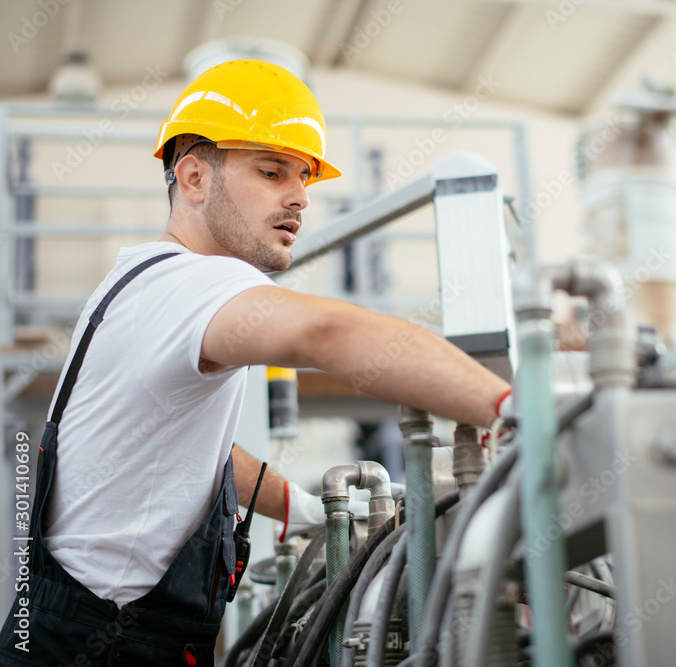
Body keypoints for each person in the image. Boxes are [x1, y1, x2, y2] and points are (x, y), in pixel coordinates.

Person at [0, 59, 510, 666]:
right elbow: (327, 332)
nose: (298, 196)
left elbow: (187, 449)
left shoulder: (138, 284)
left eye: (303, 178)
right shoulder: (187, 284)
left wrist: (310, 511)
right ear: (193, 178)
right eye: (271, 171)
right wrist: (514, 411)